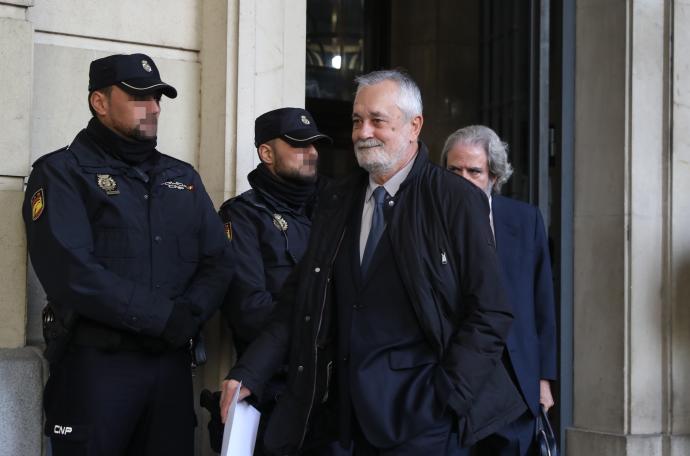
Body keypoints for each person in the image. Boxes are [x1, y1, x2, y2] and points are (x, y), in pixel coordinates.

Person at [220, 70, 526, 456]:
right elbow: (300, 302)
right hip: (342, 422)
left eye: (377, 120)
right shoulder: (335, 200)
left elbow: (491, 311)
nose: (363, 132)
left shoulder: (456, 200)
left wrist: (448, 396)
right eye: (356, 120)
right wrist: (251, 371)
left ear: (414, 126)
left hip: (426, 423)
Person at [22, 53, 234, 456]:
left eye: (158, 98)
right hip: (97, 370)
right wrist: (164, 318)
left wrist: (188, 314)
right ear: (99, 102)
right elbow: (72, 272)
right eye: (139, 97)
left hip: (169, 368)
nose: (154, 108)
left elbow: (218, 261)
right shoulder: (61, 172)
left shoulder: (182, 177)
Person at [218, 107, 332, 455]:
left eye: (314, 144)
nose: (311, 152)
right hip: (277, 390)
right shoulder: (242, 215)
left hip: (332, 393)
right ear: (266, 153)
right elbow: (249, 312)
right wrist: (321, 325)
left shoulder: (331, 211)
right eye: (298, 145)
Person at [441, 125, 557, 456]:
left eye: (473, 171)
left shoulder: (525, 220)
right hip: (453, 378)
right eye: (454, 170)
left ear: (494, 176)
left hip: (516, 378)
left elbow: (542, 303)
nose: (462, 179)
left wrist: (544, 380)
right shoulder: (428, 219)